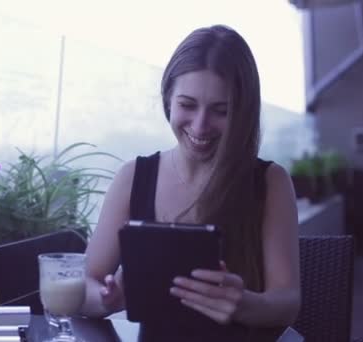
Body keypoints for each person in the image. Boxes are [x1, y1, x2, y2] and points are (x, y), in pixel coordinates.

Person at [80, 24, 301, 334]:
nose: (200, 126)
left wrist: (244, 304)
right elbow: (86, 286)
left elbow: (287, 301)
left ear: (243, 111)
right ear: (168, 98)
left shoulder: (269, 182)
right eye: (187, 105)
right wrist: (107, 300)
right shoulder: (133, 177)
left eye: (220, 111)